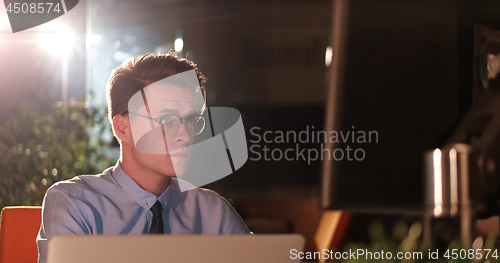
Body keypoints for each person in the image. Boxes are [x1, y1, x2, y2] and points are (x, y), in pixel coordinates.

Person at [36, 52, 250, 263]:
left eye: (192, 120)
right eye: (167, 119)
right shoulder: (77, 204)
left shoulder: (212, 212)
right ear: (122, 128)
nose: (185, 135)